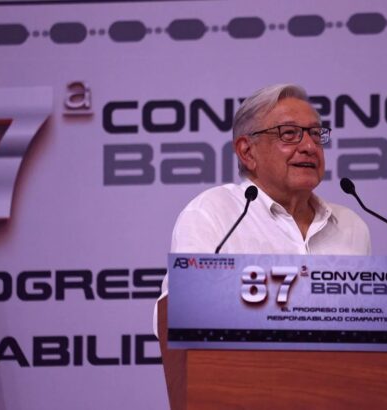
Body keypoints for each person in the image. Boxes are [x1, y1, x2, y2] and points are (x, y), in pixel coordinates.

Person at [154, 83, 371, 335]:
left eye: (315, 134)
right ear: (247, 152)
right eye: (289, 134)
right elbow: (181, 317)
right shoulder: (213, 214)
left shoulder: (350, 226)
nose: (310, 147)